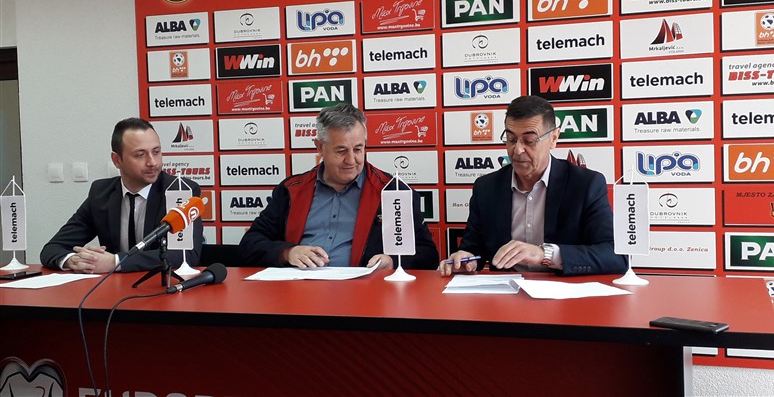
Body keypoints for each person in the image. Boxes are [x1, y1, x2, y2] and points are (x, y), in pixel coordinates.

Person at [439, 95, 626, 277]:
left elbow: (616, 256)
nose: (518, 150)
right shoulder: (486, 187)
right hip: (505, 292)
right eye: (511, 139)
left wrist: (545, 254)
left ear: (554, 138)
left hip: (563, 292)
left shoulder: (586, 185)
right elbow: (473, 248)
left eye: (529, 141)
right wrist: (466, 259)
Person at [239, 103, 439, 270]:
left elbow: (428, 255)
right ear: (320, 147)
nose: (351, 160)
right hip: (298, 292)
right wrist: (287, 253)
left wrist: (393, 262)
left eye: (358, 149)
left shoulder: (393, 191)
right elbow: (249, 245)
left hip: (366, 295)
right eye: (341, 151)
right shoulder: (291, 190)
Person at [40, 118, 203, 273]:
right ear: (117, 160)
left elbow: (185, 255)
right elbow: (52, 248)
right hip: (114, 289)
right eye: (140, 155)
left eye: (156, 152)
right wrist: (74, 260)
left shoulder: (180, 191)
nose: (153, 162)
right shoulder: (101, 193)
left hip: (161, 287)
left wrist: (116, 262)